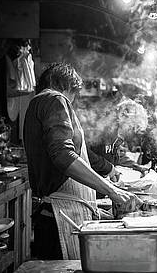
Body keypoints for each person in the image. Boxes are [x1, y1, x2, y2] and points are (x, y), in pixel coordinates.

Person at [23, 63, 143, 260]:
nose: (74, 99)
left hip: (59, 215)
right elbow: (63, 155)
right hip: (60, 216)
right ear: (64, 84)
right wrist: (112, 190)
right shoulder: (54, 99)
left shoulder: (40, 102)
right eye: (74, 92)